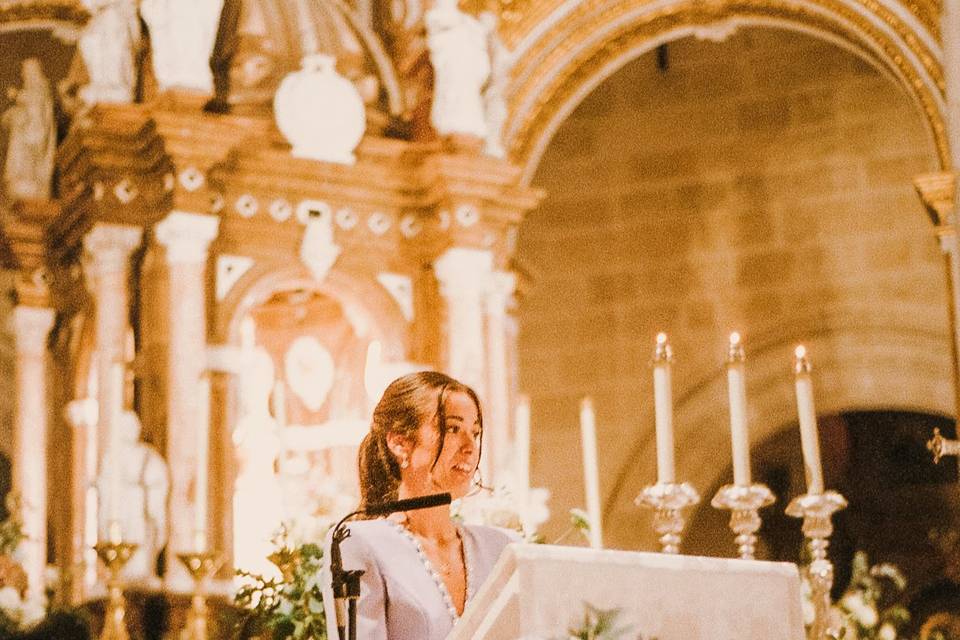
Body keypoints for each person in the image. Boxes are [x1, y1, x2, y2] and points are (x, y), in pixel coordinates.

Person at [322, 371, 520, 640]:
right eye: (452, 429)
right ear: (400, 443)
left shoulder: (501, 547)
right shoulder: (358, 543)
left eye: (475, 432)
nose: (470, 446)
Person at [2, 58, 56, 200]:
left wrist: (16, 95)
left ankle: (29, 181)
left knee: (28, 158)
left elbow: (36, 104)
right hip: (25, 134)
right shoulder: (32, 89)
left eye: (26, 71)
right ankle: (22, 180)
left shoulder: (41, 87)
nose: (24, 75)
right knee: (19, 155)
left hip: (34, 135)